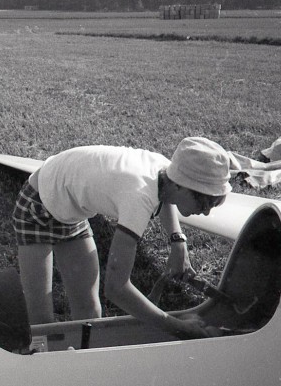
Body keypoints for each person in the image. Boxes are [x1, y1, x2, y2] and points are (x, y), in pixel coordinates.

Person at [12, 137, 231, 339]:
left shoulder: (166, 173)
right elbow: (117, 288)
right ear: (181, 185)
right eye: (204, 203)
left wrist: (178, 241)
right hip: (37, 205)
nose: (206, 213)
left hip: (72, 209)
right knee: (41, 321)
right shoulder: (137, 196)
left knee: (90, 312)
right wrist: (178, 327)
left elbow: (166, 198)